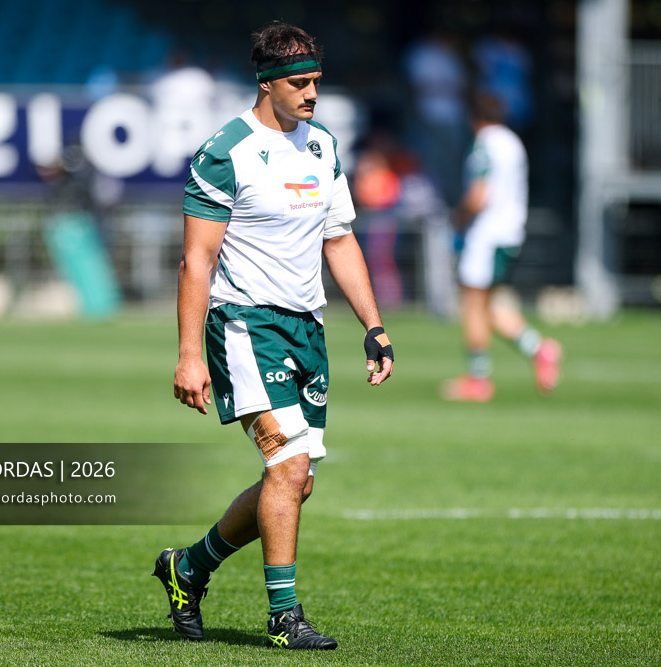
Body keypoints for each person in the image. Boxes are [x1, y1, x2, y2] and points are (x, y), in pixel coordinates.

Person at [157, 21, 395, 651]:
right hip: (244, 325)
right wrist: (188, 356)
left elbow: (339, 239)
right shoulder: (225, 151)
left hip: (306, 326)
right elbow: (196, 263)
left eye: (317, 80)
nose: (313, 92)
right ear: (266, 85)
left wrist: (373, 327)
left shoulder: (323, 146)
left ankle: (189, 567)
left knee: (295, 480)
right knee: (287, 467)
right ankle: (283, 615)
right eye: (300, 82)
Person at [441, 90, 560, 403]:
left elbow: (479, 194)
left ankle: (477, 380)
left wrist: (458, 218)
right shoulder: (513, 142)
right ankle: (540, 349)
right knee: (488, 307)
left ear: (473, 116)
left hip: (487, 233)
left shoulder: (485, 143)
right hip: (509, 231)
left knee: (472, 305)